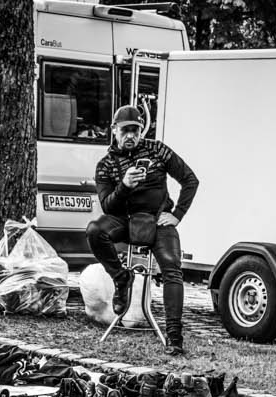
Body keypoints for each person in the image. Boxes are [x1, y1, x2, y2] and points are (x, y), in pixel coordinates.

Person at [86, 104, 200, 355]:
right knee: (95, 230)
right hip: (124, 220)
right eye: (125, 130)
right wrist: (124, 185)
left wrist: (177, 215)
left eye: (135, 130)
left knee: (172, 267)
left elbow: (190, 180)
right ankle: (121, 278)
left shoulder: (158, 150)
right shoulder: (105, 165)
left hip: (158, 220)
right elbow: (107, 206)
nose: (131, 136)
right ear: (114, 130)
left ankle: (174, 336)